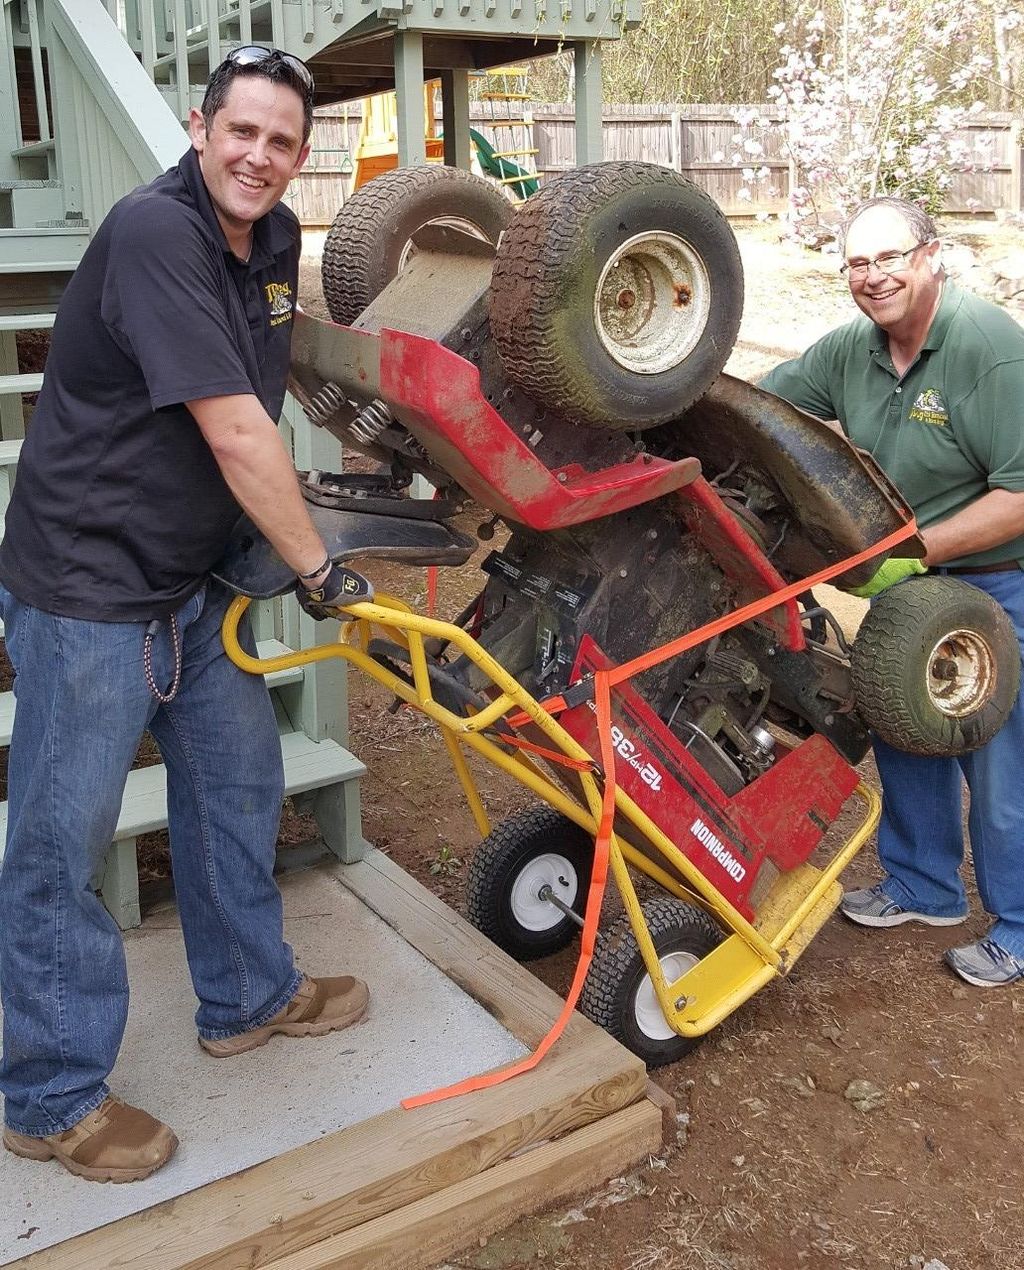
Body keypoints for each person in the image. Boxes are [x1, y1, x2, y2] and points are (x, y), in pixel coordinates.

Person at [0, 48, 370, 1184]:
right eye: (240, 131)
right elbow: (235, 427)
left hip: (189, 581)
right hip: (88, 591)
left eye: (281, 141)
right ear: (201, 129)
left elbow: (265, 388)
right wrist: (318, 567)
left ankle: (248, 996)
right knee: (59, 847)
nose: (259, 156)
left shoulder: (276, 239)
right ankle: (50, 1095)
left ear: (300, 156)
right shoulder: (156, 232)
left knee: (237, 786)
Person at [760, 196, 1024, 989]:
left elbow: (1020, 496)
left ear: (931, 257)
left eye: (890, 258)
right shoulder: (855, 349)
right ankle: (924, 885)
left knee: (1000, 761)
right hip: (911, 583)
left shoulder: (990, 352)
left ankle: (1019, 926)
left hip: (998, 584)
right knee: (905, 727)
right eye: (857, 263)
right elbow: (762, 405)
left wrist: (913, 550)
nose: (872, 277)